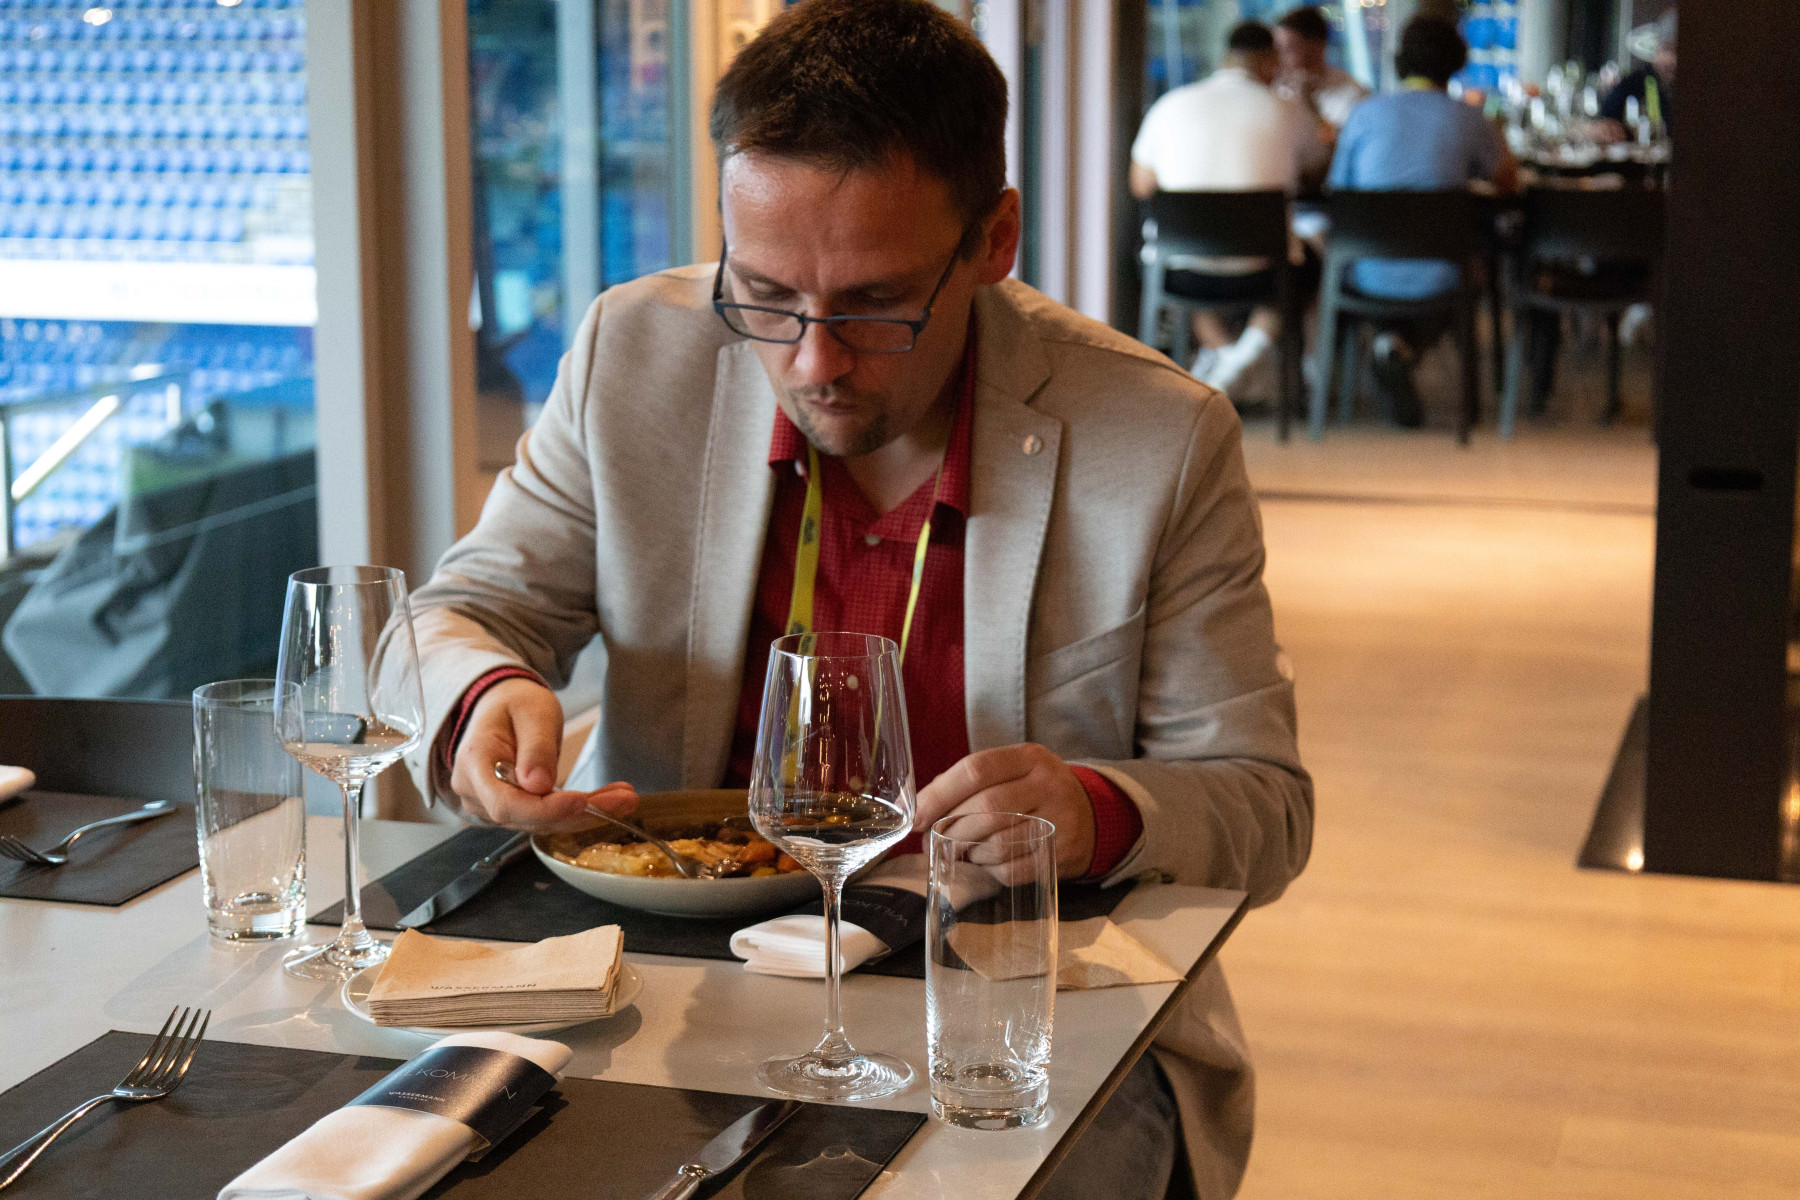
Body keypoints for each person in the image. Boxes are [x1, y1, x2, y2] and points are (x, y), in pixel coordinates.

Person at [399, 1, 1311, 1195]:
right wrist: (481, 694)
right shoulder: (634, 357)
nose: (813, 361)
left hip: (1018, 1001)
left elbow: (1263, 802)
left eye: (876, 305)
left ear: (995, 240)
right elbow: (463, 611)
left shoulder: (1157, 437)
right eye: (765, 294)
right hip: (673, 972)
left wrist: (1095, 810)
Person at [1325, 15, 1517, 426]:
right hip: (1441, 272)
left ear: (1400, 60)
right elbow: (1507, 181)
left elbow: (1338, 191)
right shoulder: (1468, 118)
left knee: (1389, 267)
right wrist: (1494, 131)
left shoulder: (1363, 114)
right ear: (1458, 62)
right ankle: (1400, 349)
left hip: (1366, 270)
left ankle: (1391, 344)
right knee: (1466, 270)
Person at [1129, 20, 1328, 397]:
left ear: (1226, 58)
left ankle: (1223, 361)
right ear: (1269, 62)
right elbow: (1317, 167)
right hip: (1266, 272)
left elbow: (1141, 185)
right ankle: (1239, 361)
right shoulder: (1288, 110)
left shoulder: (1171, 104)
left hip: (1181, 272)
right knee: (1308, 268)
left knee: (1169, 253)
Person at [1274, 6, 1368, 133]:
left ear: (1317, 47)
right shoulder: (1277, 91)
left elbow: (1332, 142)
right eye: (1277, 50)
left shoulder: (1354, 96)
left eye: (1289, 49)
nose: (1280, 59)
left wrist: (1307, 103)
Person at [1597, 9, 1675, 142]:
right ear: (1657, 48)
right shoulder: (1637, 82)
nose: (1673, 60)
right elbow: (1603, 123)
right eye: (1668, 49)